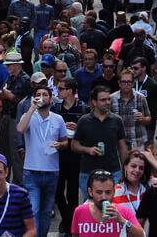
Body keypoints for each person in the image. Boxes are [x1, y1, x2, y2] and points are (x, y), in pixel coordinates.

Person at [17, 84, 68, 237]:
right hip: (32, 171)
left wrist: (61, 145)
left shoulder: (58, 119)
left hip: (52, 172)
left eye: (45, 94)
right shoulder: (28, 115)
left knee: (46, 212)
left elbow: (66, 141)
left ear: (51, 99)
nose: (41, 97)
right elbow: (20, 129)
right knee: (34, 209)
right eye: (38, 94)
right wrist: (32, 109)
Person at [74, 85, 128, 201]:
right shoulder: (84, 121)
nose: (107, 102)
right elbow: (74, 145)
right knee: (90, 207)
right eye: (103, 100)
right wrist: (88, 150)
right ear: (94, 102)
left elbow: (122, 146)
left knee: (113, 206)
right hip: (88, 172)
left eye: (109, 99)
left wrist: (125, 170)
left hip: (113, 171)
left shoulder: (117, 120)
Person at [54, 76, 88, 234]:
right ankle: (67, 218)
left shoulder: (83, 108)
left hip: (75, 155)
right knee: (58, 190)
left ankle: (71, 223)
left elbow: (89, 133)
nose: (58, 91)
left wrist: (78, 128)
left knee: (73, 191)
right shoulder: (55, 108)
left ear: (70, 91)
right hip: (58, 154)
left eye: (61, 89)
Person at [72, 169, 145, 237]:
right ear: (90, 192)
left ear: (114, 192)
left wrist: (122, 221)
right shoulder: (80, 211)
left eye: (108, 192)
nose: (104, 197)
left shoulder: (124, 211)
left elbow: (142, 235)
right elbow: (75, 234)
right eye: (99, 192)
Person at [0, 50, 31, 180]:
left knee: (15, 152)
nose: (7, 67)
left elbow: (16, 98)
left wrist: (7, 94)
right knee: (4, 151)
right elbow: (3, 92)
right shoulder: (11, 77)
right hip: (6, 116)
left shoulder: (24, 79)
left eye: (9, 64)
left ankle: (18, 182)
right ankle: (5, 180)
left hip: (16, 118)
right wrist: (6, 94)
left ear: (17, 64)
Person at [111, 68, 151, 151]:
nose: (126, 84)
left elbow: (149, 118)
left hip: (137, 142)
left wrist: (142, 119)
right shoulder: (111, 99)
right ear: (119, 83)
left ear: (133, 83)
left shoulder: (141, 98)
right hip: (118, 143)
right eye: (123, 82)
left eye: (129, 82)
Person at [113, 150, 157, 217]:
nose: (137, 170)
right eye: (133, 166)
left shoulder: (151, 184)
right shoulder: (115, 192)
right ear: (125, 166)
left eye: (141, 168)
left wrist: (153, 161)